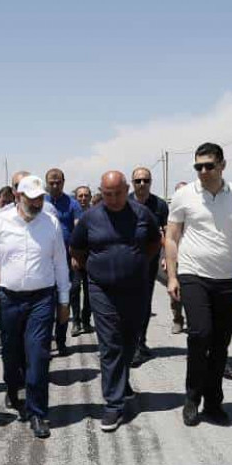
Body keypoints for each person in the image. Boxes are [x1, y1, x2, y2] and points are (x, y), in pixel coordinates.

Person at [165, 142, 232, 427]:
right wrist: (173, 276)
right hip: (194, 275)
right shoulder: (184, 195)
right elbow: (172, 237)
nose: (203, 171)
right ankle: (192, 398)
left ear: (222, 165)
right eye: (198, 166)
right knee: (200, 334)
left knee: (220, 343)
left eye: (208, 166)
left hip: (227, 278)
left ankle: (214, 402)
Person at [70, 171, 161, 433]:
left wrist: (135, 263)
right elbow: (76, 249)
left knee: (130, 340)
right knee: (110, 343)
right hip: (102, 289)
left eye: (118, 193)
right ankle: (113, 403)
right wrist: (97, 269)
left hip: (135, 288)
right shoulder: (90, 218)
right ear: (102, 191)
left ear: (126, 189)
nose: (112, 199)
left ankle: (122, 382)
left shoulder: (142, 214)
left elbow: (155, 243)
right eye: (107, 194)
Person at [0, 175, 70, 439]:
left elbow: (60, 263)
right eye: (32, 199)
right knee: (11, 354)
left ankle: (38, 412)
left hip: (42, 299)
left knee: (38, 354)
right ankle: (13, 388)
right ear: (18, 197)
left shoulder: (51, 223)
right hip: (9, 298)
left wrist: (64, 300)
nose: (37, 203)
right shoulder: (1, 223)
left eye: (40, 198)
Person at [128, 167, 169, 367]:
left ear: (151, 182)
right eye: (138, 181)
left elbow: (167, 233)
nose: (142, 184)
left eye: (146, 180)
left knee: (144, 303)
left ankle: (140, 342)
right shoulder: (124, 202)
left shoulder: (159, 205)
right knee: (129, 303)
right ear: (132, 183)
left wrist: (166, 256)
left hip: (149, 262)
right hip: (127, 263)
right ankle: (131, 343)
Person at [44, 168, 83, 356]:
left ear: (63, 182)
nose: (55, 186)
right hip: (45, 261)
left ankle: (61, 341)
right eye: (51, 183)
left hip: (67, 259)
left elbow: (78, 230)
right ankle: (44, 343)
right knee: (46, 303)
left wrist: (75, 254)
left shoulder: (73, 204)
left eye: (58, 182)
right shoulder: (40, 202)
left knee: (64, 298)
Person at [70, 185, 93, 336]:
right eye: (80, 196)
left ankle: (86, 321)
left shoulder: (95, 213)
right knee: (75, 289)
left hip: (91, 258)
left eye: (86, 195)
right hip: (76, 258)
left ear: (90, 197)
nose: (83, 198)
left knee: (90, 291)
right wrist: (73, 256)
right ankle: (76, 322)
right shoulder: (72, 213)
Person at [166, 181, 187, 335]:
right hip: (176, 258)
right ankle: (177, 319)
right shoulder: (172, 213)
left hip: (193, 259)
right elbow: (168, 238)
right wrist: (166, 258)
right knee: (175, 292)